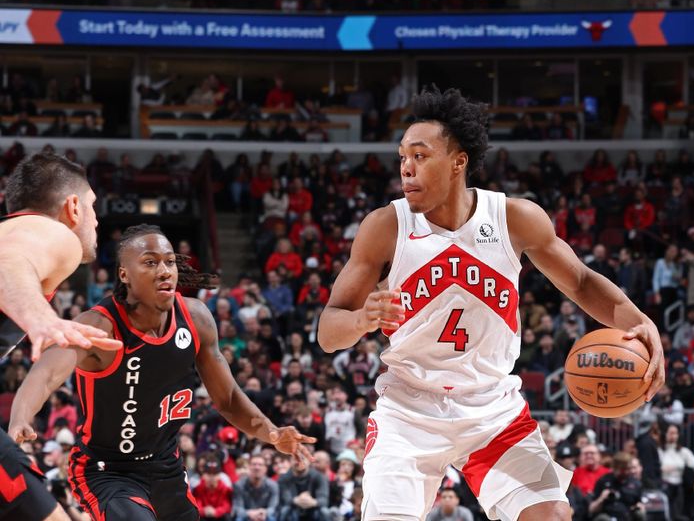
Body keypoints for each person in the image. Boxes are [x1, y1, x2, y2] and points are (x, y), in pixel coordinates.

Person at [318, 87, 664, 521]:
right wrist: (361, 320)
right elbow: (328, 332)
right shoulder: (386, 226)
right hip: (409, 410)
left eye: (420, 156)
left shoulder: (513, 218)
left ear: (459, 161)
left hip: (491, 409)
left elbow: (580, 282)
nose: (406, 168)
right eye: (402, 157)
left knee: (553, 516)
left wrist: (640, 322)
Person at [9, 224, 315, 521]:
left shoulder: (195, 318)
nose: (165, 270)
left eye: (170, 261)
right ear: (124, 274)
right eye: (150, 262)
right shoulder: (99, 327)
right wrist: (21, 415)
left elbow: (229, 398)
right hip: (108, 471)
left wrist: (271, 432)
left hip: (166, 467)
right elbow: (46, 373)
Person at [0, 153, 122, 521]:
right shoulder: (51, 232)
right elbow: (6, 262)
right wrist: (41, 318)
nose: (97, 219)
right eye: (92, 206)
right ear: (73, 207)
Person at [587, 452, 645, 521]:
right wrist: (601, 498)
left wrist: (639, 507)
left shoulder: (635, 484)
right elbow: (591, 509)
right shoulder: (603, 481)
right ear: (615, 467)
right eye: (623, 469)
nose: (626, 472)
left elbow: (640, 504)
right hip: (608, 517)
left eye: (628, 468)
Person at [233, 453, 278, 521]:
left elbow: (273, 508)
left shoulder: (273, 485)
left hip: (264, 516)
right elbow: (238, 508)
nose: (257, 468)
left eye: (260, 465)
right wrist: (249, 513)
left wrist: (264, 512)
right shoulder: (239, 485)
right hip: (247, 516)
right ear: (249, 467)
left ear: (265, 469)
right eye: (254, 464)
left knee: (272, 518)